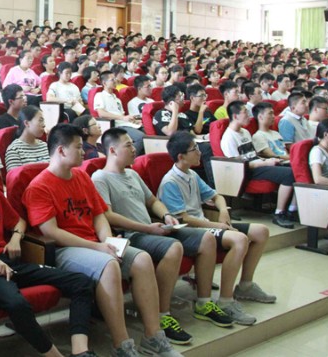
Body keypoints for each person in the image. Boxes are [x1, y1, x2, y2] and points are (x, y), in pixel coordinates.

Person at [23, 124, 180, 357]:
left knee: (142, 260)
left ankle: (153, 335)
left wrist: (108, 241)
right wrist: (98, 247)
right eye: (78, 147)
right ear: (61, 150)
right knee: (109, 265)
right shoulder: (39, 186)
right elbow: (52, 232)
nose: (84, 152)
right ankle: (122, 344)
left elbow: (98, 214)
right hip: (65, 250)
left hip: (95, 243)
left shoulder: (81, 176)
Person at [0, 147, 98, 357]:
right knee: (17, 304)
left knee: (81, 282)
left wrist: (16, 238)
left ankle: (80, 350)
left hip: (11, 263)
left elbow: (19, 221)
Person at [93, 128, 233, 345]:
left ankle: (204, 302)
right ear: (112, 150)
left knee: (206, 238)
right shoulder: (100, 177)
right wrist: (147, 228)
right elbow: (108, 215)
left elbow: (152, 201)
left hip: (152, 227)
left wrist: (167, 215)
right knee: (174, 247)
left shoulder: (132, 173)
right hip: (132, 235)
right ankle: (162, 315)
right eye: (128, 145)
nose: (134, 149)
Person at [158, 131, 276, 326]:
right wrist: (218, 225)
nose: (199, 152)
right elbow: (184, 219)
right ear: (181, 156)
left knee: (261, 231)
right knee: (239, 240)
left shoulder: (192, 174)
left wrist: (223, 211)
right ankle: (226, 300)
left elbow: (216, 196)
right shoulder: (170, 182)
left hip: (208, 224)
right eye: (194, 149)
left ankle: (245, 286)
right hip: (192, 230)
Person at [94, 71, 145, 155]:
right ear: (104, 83)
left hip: (124, 123)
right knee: (141, 137)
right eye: (112, 79)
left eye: (115, 79)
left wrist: (131, 120)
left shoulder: (117, 99)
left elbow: (122, 115)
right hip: (115, 125)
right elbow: (101, 113)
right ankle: (128, 157)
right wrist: (122, 118)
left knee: (147, 133)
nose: (115, 81)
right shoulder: (100, 95)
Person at [4, 106, 49, 170]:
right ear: (27, 123)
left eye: (43, 121)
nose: (44, 125)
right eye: (40, 120)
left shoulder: (44, 145)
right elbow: (14, 178)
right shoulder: (14, 150)